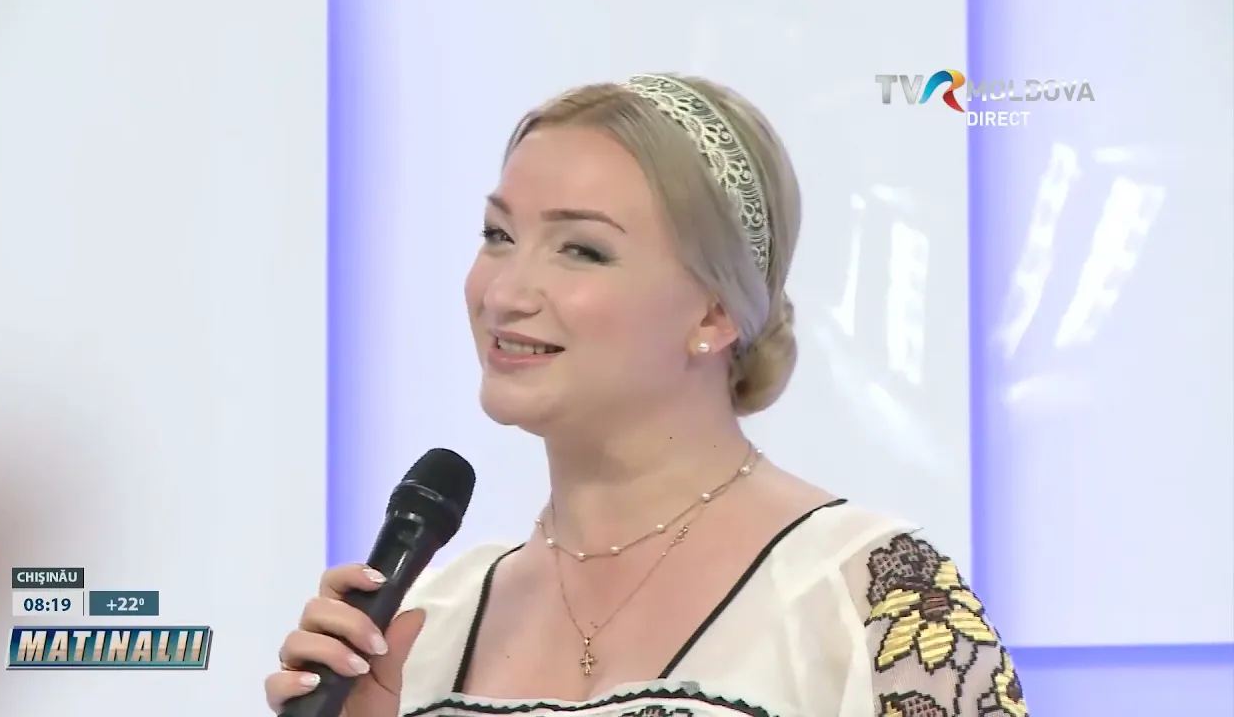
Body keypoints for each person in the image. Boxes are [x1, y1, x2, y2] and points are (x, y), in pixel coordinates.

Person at [264, 73, 1028, 717]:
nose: (505, 293)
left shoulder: (867, 598)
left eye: (581, 249)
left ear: (715, 313)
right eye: (498, 236)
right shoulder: (428, 622)